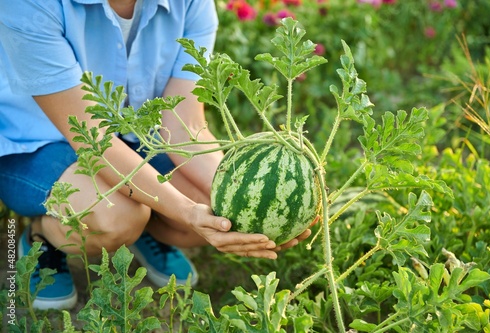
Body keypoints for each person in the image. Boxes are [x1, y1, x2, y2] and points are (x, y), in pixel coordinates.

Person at [0, 0, 312, 310]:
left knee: (221, 208)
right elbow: (93, 138)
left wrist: (242, 192)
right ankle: (43, 238)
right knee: (117, 218)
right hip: (36, 143)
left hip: (135, 137)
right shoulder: (31, 4)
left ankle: (143, 223)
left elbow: (184, 123)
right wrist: (186, 211)